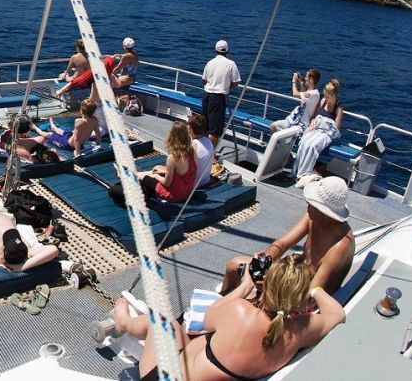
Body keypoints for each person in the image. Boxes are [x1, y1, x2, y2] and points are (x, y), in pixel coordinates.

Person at [111, 253, 345, 381]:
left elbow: (207, 318)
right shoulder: (302, 330)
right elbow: (337, 314)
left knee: (163, 321)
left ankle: (125, 324)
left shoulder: (241, 312)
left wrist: (245, 286)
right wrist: (314, 290)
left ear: (269, 283)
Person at [221, 176, 354, 295]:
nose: (307, 205)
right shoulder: (314, 217)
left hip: (303, 292)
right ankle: (221, 303)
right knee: (234, 265)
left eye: (312, 204)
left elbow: (313, 294)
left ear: (325, 212)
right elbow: (282, 244)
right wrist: (263, 264)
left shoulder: (340, 246)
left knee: (247, 292)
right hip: (292, 274)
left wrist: (270, 286)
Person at [108, 121, 197, 207]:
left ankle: (123, 176)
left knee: (147, 177)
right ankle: (127, 174)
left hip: (173, 195)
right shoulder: (192, 151)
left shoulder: (173, 158)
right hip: (186, 192)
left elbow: (167, 183)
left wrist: (155, 176)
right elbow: (183, 171)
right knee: (154, 171)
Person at [294, 79, 343, 183]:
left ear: (333, 95)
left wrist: (325, 124)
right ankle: (298, 170)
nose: (325, 97)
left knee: (312, 146)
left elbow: (336, 129)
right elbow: (314, 117)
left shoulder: (338, 108)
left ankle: (304, 172)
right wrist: (312, 124)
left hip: (326, 133)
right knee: (303, 143)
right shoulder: (322, 101)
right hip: (316, 129)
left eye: (328, 95)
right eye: (325, 94)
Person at [20, 98, 104, 158]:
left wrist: (78, 153)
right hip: (70, 137)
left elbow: (77, 140)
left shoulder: (79, 121)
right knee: (62, 131)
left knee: (47, 134)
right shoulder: (94, 120)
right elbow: (98, 134)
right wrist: (98, 145)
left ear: (82, 110)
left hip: (67, 144)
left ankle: (33, 126)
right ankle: (53, 125)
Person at [202, 39, 241, 148]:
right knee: (215, 130)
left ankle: (202, 150)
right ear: (227, 51)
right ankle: (211, 155)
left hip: (206, 95)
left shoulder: (210, 63)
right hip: (218, 98)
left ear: (215, 50)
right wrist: (225, 85)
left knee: (204, 126)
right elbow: (235, 83)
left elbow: (204, 81)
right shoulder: (231, 64)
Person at [270, 69, 322, 133]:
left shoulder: (314, 94)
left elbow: (295, 94)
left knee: (280, 135)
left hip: (301, 125)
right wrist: (300, 82)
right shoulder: (310, 91)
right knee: (273, 126)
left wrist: (294, 81)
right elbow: (303, 95)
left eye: (306, 77)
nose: (305, 78)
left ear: (311, 79)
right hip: (294, 120)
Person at [189, 112, 216, 189]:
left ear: (191, 130)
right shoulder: (208, 141)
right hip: (205, 180)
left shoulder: (193, 145)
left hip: (194, 184)